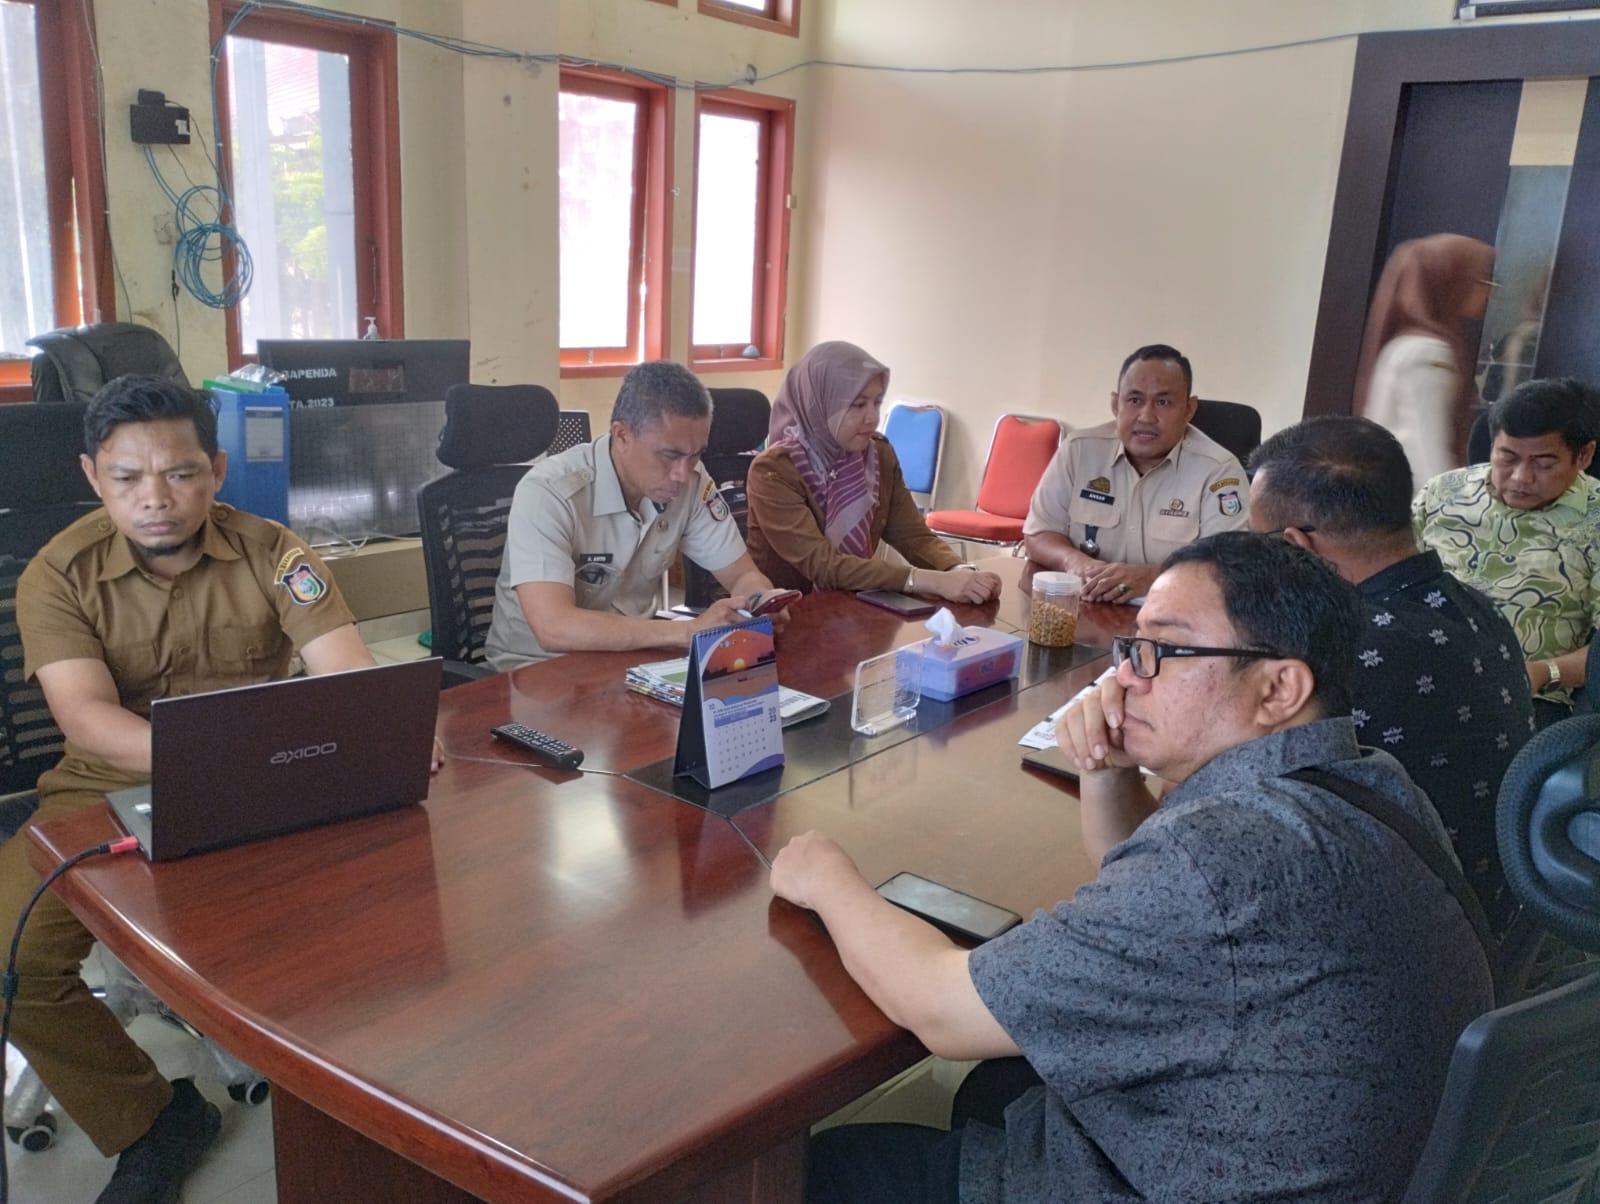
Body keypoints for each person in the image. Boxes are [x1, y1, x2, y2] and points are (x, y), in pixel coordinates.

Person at [771, 532, 1492, 1204]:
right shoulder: (1373, 782)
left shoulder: (1225, 856)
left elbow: (938, 1010)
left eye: (1162, 654)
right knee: (1003, 1086)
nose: (1125, 677)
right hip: (1301, 1150)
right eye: (1131, 646)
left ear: (1277, 690)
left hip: (1182, 1175)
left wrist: (825, 875)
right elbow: (1166, 914)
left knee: (829, 1166)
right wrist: (1109, 769)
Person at [6, 374, 418, 1204]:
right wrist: (207, 761)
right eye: (128, 479)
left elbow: (343, 673)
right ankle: (154, 1119)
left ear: (218, 469)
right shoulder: (58, 572)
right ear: (94, 477)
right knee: (8, 961)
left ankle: (368, 1116)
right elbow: (85, 716)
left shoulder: (276, 552)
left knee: (382, 915)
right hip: (101, 788)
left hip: (268, 782)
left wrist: (382, 721)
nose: (155, 498)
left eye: (180, 473)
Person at [1249, 415, 1533, 930]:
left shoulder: (1342, 651)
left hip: (1381, 937)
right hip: (1483, 919)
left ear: (1295, 546)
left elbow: (1229, 812)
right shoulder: (1476, 607)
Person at [485, 361, 787, 669]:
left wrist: (759, 601)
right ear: (622, 436)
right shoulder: (549, 493)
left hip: (631, 665)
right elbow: (554, 626)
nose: (682, 473)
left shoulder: (692, 482)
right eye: (670, 455)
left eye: (695, 454)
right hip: (537, 674)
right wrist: (686, 631)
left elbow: (742, 574)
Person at [745, 341, 1001, 603]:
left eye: (877, 402)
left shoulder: (877, 454)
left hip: (855, 607)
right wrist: (929, 580)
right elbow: (823, 565)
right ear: (821, 404)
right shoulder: (775, 470)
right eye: (858, 405)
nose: (872, 417)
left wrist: (958, 571)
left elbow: (912, 534)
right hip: (787, 615)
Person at [1414, 377, 1600, 725]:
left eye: (1544, 463)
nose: (1520, 477)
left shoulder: (1596, 518)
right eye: (1507, 457)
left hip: (1526, 700)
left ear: (1584, 455)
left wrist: (1542, 674)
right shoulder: (1442, 493)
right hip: (1419, 677)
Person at [1022, 343, 1249, 604]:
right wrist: (1074, 561)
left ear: (1189, 409)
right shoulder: (1080, 451)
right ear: (1115, 405)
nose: (1146, 416)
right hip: (1085, 609)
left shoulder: (1219, 471)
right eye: (1134, 400)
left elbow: (1230, 567)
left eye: (1163, 402)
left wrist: (1152, 576)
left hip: (1175, 617)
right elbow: (1038, 534)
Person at [1352, 233, 1496, 492]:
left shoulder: (1405, 343)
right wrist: (1454, 510)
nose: (1488, 292)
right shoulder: (1429, 353)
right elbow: (1427, 447)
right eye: (1482, 280)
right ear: (1451, 280)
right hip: (1415, 501)